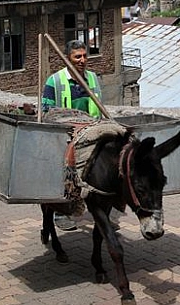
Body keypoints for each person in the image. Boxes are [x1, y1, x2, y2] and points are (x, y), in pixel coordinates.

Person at [42, 40, 122, 231]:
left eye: (85, 56)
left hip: (91, 133)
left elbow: (99, 107)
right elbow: (46, 111)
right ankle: (62, 212)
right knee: (66, 172)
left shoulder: (93, 78)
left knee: (102, 171)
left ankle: (100, 213)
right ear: (67, 58)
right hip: (65, 135)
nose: (82, 60)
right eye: (77, 56)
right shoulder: (55, 81)